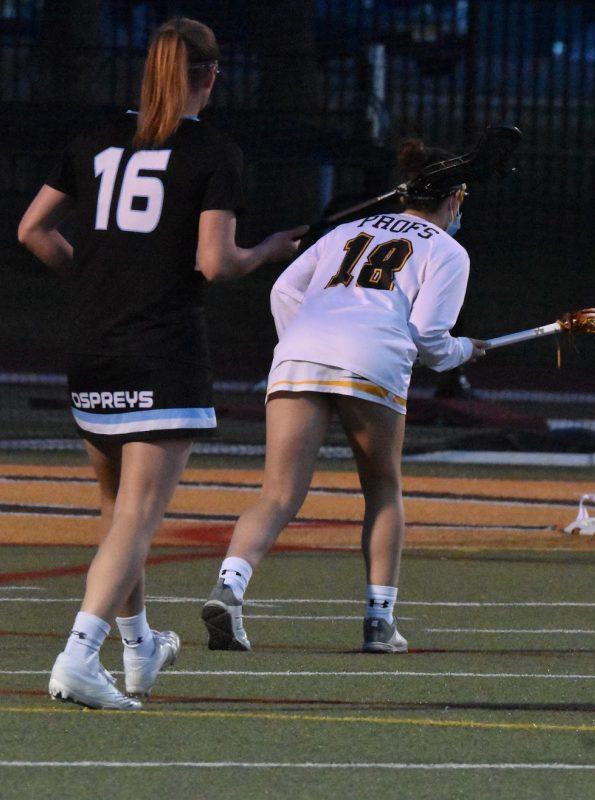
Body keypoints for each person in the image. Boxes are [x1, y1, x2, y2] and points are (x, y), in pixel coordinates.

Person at [17, 17, 305, 708]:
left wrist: (91, 274)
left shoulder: (92, 141)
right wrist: (267, 251)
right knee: (139, 517)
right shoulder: (212, 151)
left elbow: (32, 229)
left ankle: (140, 648)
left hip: (92, 348)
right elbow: (215, 261)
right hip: (160, 348)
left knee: (119, 511)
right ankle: (79, 654)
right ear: (210, 76)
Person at [199, 139, 487, 654]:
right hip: (371, 358)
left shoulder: (348, 230)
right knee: (382, 488)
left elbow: (283, 291)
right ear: (455, 199)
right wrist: (467, 350)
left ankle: (230, 587)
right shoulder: (448, 251)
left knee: (279, 494)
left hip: (301, 352)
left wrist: (302, 347)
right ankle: (379, 622)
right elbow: (429, 339)